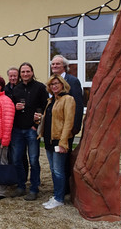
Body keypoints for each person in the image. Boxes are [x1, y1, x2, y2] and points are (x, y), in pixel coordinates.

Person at [35, 74, 75, 209]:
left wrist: (63, 142)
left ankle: (59, 198)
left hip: (59, 140)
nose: (54, 86)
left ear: (63, 84)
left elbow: (68, 122)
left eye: (57, 83)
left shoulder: (68, 99)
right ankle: (57, 195)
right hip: (49, 140)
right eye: (52, 84)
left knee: (59, 171)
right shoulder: (51, 101)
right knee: (53, 170)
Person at [9, 62, 48, 201]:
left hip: (32, 130)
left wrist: (36, 125)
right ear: (20, 74)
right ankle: (21, 186)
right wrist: (15, 107)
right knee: (17, 159)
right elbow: (10, 108)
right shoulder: (16, 89)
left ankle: (34, 188)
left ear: (32, 72)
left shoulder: (40, 87)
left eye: (28, 71)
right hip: (18, 130)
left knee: (33, 160)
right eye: (23, 72)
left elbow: (45, 107)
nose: (25, 74)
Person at [50, 55, 84, 194]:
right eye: (53, 64)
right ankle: (60, 188)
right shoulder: (52, 82)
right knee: (57, 162)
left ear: (64, 66)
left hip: (66, 129)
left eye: (58, 64)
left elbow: (79, 105)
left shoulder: (73, 81)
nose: (55, 66)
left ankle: (66, 190)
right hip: (53, 129)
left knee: (63, 161)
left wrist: (75, 127)